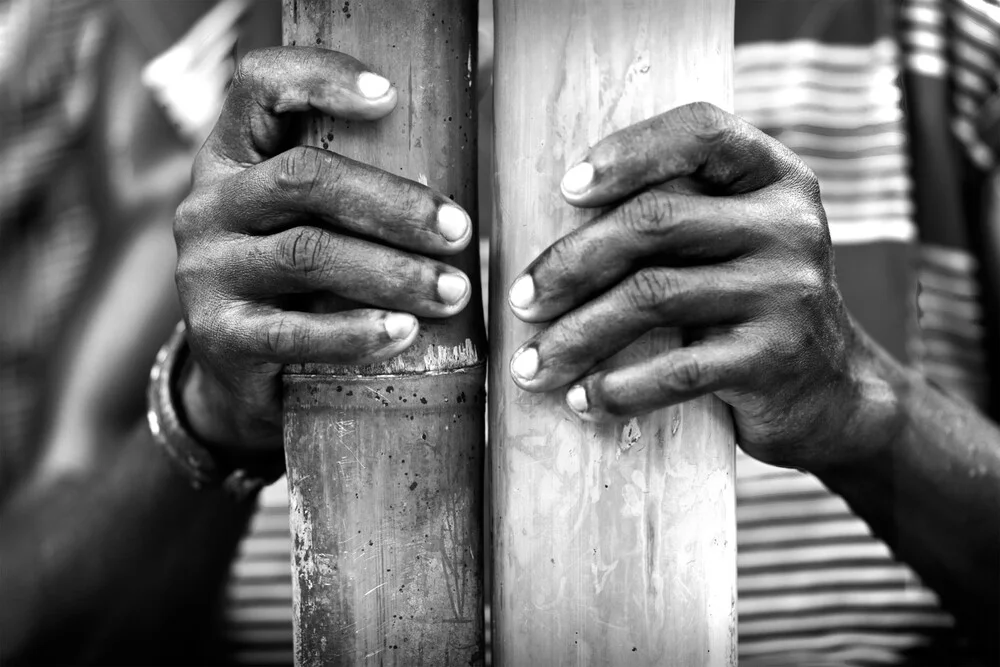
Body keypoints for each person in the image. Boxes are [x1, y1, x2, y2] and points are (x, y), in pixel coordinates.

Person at [1, 2, 997, 667]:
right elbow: (35, 620)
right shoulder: (234, 77)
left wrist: (863, 406)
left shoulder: (936, 39)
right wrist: (209, 410)